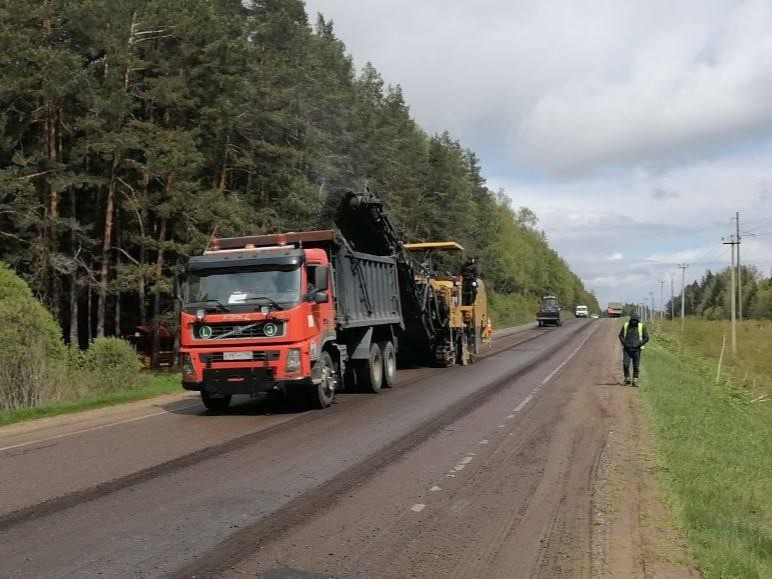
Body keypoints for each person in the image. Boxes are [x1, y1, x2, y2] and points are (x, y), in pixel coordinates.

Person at [619, 313, 649, 386]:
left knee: (636, 366)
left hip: (637, 350)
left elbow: (646, 338)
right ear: (630, 319)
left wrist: (639, 344)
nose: (634, 321)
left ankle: (635, 381)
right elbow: (620, 335)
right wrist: (624, 343)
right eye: (632, 320)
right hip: (627, 349)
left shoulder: (642, 326)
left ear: (638, 320)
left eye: (635, 320)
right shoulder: (626, 325)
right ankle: (627, 380)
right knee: (625, 365)